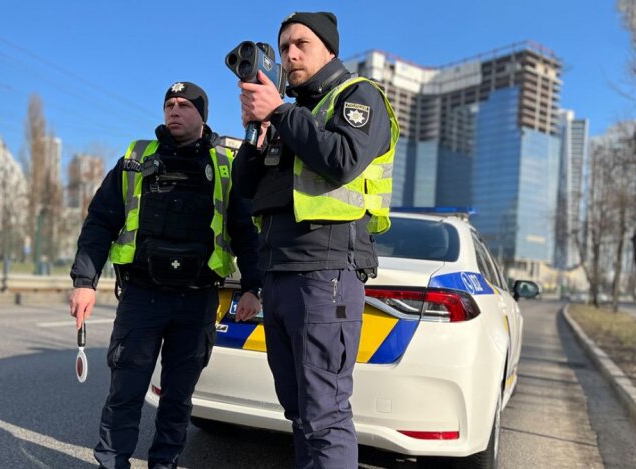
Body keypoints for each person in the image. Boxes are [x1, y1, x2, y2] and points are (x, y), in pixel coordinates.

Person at [233, 11, 399, 469]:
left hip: (325, 275)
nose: (289, 54)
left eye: (300, 43)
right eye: (284, 46)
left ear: (328, 48)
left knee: (324, 415)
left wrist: (281, 113)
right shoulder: (291, 114)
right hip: (280, 275)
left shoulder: (357, 96)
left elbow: (342, 159)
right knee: (300, 412)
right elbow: (245, 189)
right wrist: (257, 131)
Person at [69, 81, 262, 469]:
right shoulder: (136, 159)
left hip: (197, 299)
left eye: (184, 105)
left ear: (202, 115)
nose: (175, 111)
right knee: (125, 391)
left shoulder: (225, 165)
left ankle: (164, 464)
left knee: (177, 398)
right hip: (143, 296)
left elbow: (245, 232)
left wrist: (253, 287)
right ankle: (111, 463)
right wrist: (84, 282)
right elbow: (100, 222)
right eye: (169, 105)